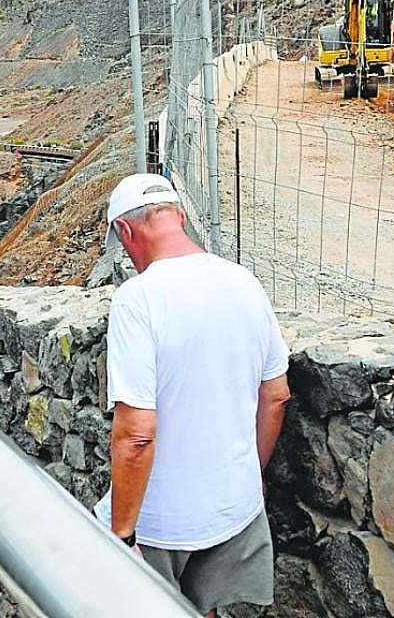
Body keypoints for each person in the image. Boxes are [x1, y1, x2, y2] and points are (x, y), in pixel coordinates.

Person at [102, 173, 291, 618]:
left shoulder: (138, 298)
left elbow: (135, 435)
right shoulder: (245, 282)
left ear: (126, 232)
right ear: (180, 218)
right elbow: (277, 395)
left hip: (161, 523)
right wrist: (252, 472)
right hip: (234, 506)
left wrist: (122, 537)